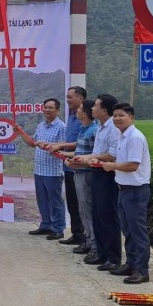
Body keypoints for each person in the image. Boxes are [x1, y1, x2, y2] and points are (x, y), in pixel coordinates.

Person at [101, 103, 151, 285]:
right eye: (114, 115)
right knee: (128, 230)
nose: (117, 119)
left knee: (138, 232)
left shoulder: (135, 137)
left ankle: (142, 270)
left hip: (136, 191)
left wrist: (112, 166)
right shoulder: (123, 136)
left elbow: (132, 165)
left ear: (131, 117)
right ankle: (131, 264)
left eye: (121, 115)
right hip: (123, 189)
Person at [75, 94, 121, 270]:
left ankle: (113, 257)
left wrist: (88, 157)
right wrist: (86, 159)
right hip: (96, 172)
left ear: (104, 110)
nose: (91, 108)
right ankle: (101, 253)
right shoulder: (101, 127)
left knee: (108, 216)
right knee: (97, 215)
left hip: (107, 174)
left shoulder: (112, 129)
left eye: (95, 106)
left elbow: (111, 155)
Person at [16, 98, 67, 240]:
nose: (47, 110)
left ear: (57, 110)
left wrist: (48, 144)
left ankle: (58, 229)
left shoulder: (61, 127)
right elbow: (32, 143)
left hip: (53, 171)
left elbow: (64, 145)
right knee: (42, 200)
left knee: (55, 201)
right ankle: (45, 225)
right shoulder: (41, 126)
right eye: (45, 107)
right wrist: (20, 132)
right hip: (39, 170)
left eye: (51, 107)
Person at [60, 99, 98, 260]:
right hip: (78, 172)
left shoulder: (94, 130)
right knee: (82, 210)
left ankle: (94, 246)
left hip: (87, 174)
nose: (77, 111)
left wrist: (76, 160)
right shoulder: (84, 129)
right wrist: (66, 155)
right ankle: (89, 242)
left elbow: (94, 156)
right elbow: (80, 152)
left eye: (81, 109)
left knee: (88, 211)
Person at [57, 86, 88, 246]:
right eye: (67, 97)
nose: (68, 100)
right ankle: (76, 234)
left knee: (82, 204)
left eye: (70, 97)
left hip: (80, 166)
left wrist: (60, 147)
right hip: (68, 166)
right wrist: (56, 145)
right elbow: (69, 141)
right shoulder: (71, 117)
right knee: (72, 203)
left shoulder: (87, 120)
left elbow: (80, 144)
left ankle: (85, 238)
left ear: (80, 98)